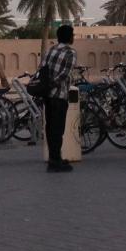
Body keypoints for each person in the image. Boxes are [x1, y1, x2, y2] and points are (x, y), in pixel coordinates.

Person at [38, 24, 77, 173]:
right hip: (59, 96)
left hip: (47, 96)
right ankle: (55, 162)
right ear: (69, 37)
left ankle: (54, 158)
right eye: (73, 35)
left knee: (50, 128)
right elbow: (64, 75)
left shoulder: (51, 50)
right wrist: (52, 85)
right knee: (58, 129)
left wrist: (46, 86)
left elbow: (42, 68)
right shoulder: (70, 53)